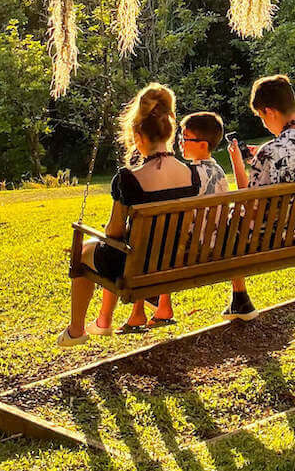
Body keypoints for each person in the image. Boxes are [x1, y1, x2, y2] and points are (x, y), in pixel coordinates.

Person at [58, 83, 200, 347]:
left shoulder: (128, 178)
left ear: (138, 136)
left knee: (83, 250)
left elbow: (113, 233)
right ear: (169, 133)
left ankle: (76, 330)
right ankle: (98, 324)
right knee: (92, 246)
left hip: (134, 267)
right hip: (172, 262)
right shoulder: (190, 175)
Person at [225, 74, 295, 321]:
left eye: (262, 118)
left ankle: (240, 296)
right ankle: (239, 300)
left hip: (270, 239)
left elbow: (248, 203)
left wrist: (238, 164)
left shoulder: (270, 153)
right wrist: (260, 158)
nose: (264, 124)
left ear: (270, 112)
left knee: (225, 219)